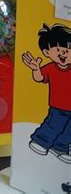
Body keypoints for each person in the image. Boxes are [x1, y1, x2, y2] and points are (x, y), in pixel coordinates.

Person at [22, 23, 71, 163]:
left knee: (69, 131)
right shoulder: (51, 67)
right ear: (47, 53)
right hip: (57, 106)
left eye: (68, 50)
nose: (64, 53)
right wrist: (35, 69)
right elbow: (40, 78)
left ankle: (60, 148)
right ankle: (41, 142)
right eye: (59, 50)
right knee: (53, 125)